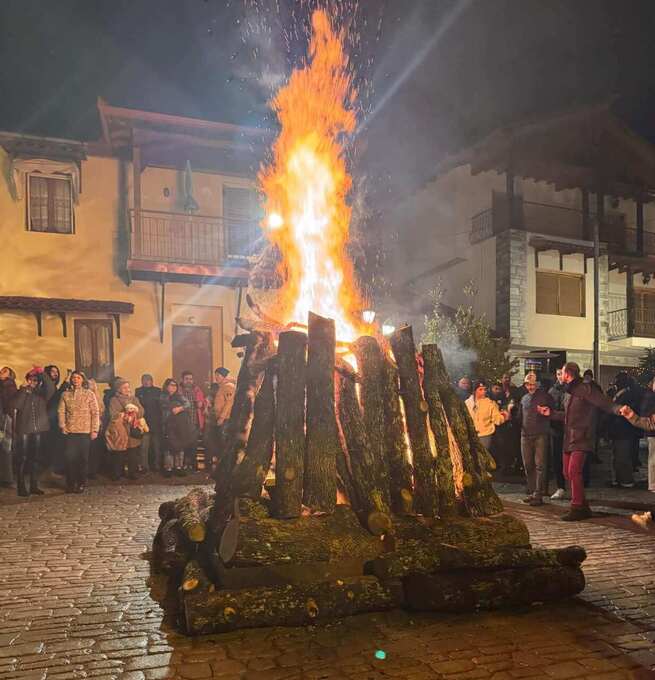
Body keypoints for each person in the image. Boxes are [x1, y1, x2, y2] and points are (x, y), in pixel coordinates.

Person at [540, 361, 621, 521]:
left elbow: (603, 401)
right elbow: (568, 416)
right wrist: (551, 413)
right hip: (569, 437)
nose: (560, 375)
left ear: (568, 374)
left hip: (582, 437)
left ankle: (577, 507)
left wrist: (618, 409)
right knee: (566, 472)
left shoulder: (585, 389)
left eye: (561, 372)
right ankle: (582, 505)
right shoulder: (570, 391)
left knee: (573, 471)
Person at [58, 371, 100, 493]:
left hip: (85, 431)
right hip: (70, 431)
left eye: (78, 378)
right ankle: (70, 483)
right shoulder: (65, 394)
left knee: (82, 459)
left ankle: (81, 483)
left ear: (82, 380)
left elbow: (95, 412)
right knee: (69, 458)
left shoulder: (89, 394)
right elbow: (61, 411)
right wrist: (62, 426)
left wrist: (94, 429)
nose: (76, 380)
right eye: (74, 378)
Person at [517, 373, 554, 506]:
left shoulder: (545, 396)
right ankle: (533, 492)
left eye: (533, 384)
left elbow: (553, 412)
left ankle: (538, 494)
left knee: (540, 465)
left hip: (540, 434)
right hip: (525, 435)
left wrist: (547, 412)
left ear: (537, 384)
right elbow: (519, 417)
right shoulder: (524, 398)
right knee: (528, 465)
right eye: (528, 384)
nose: (531, 386)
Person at [12, 367, 49, 496]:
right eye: (31, 380)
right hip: (24, 429)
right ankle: (21, 487)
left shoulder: (42, 393)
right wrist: (23, 390)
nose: (33, 382)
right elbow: (16, 405)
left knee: (36, 458)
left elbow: (51, 388)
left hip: (38, 429)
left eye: (36, 380)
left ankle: (34, 485)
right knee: (22, 458)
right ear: (27, 380)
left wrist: (41, 373)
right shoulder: (21, 391)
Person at [607, 372, 641, 489]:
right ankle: (619, 478)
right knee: (617, 455)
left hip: (623, 429)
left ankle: (626, 480)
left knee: (623, 456)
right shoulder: (623, 393)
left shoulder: (628, 395)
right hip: (619, 429)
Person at [108, 380, 145, 479]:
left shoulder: (134, 399)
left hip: (133, 429)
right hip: (121, 430)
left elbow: (141, 410)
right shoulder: (114, 400)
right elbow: (113, 414)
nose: (127, 389)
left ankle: (132, 473)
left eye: (128, 387)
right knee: (119, 453)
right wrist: (125, 414)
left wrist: (134, 413)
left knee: (133, 453)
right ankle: (117, 473)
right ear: (118, 389)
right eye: (124, 387)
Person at [160, 378, 194, 477]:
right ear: (166, 386)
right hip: (168, 424)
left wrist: (180, 408)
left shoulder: (180, 396)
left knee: (180, 445)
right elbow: (166, 406)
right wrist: (176, 406)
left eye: (175, 385)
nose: (173, 387)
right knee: (168, 446)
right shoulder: (163, 397)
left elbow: (188, 404)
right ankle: (168, 468)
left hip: (179, 425)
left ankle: (179, 467)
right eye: (171, 385)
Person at [465, 380, 508, 451]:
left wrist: (504, 416)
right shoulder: (467, 403)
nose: (483, 391)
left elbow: (497, 420)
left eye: (485, 389)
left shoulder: (490, 403)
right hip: (470, 435)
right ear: (475, 390)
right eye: (480, 389)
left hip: (485, 436)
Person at [179, 371, 207, 471]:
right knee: (183, 444)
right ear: (182, 380)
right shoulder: (179, 391)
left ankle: (194, 466)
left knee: (194, 444)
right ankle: (183, 465)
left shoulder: (197, 390)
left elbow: (202, 403)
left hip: (195, 422)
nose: (189, 381)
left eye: (190, 379)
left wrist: (201, 403)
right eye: (186, 379)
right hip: (182, 423)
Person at [208, 367, 236, 468]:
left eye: (218, 375)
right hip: (221, 419)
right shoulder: (221, 386)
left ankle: (227, 465)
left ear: (224, 376)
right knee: (220, 442)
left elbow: (229, 403)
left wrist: (222, 418)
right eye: (215, 375)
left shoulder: (228, 386)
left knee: (225, 443)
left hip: (226, 420)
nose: (216, 378)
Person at [135, 374, 162, 472]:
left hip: (156, 423)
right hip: (143, 422)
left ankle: (156, 465)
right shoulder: (138, 391)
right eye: (144, 380)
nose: (146, 382)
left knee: (156, 447)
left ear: (152, 381)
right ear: (141, 381)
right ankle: (144, 466)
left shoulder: (158, 391)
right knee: (144, 447)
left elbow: (160, 407)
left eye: (148, 380)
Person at [548, 368, 567, 499]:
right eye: (558, 374)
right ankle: (560, 486)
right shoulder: (552, 390)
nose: (560, 377)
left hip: (569, 429)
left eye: (562, 374)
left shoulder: (571, 390)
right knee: (557, 459)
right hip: (556, 429)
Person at [0, 366, 18, 488]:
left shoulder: (10, 386)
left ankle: (7, 478)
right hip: (3, 416)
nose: (1, 372)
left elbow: (10, 405)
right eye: (1, 370)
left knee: (6, 446)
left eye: (5, 371)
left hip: (5, 418)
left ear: (10, 374)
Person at [86, 378, 106, 479]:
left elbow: (102, 410)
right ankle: (86, 471)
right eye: (89, 384)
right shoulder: (85, 396)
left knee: (95, 450)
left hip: (97, 426)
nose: (91, 386)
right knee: (87, 450)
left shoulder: (98, 397)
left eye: (92, 385)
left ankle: (93, 471)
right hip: (86, 426)